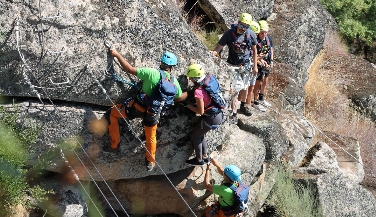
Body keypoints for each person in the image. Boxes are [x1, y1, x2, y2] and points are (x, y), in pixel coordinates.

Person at [107, 49, 187, 171]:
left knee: (113, 113)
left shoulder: (151, 73)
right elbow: (180, 96)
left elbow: (129, 69)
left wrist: (116, 54)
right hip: (153, 113)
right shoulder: (174, 82)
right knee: (151, 136)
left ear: (161, 63)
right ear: (172, 67)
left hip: (137, 108)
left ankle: (115, 145)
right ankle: (150, 161)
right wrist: (190, 93)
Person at [211, 13, 258, 123]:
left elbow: (255, 50)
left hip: (246, 65)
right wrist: (214, 52)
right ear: (238, 22)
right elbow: (219, 47)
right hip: (233, 65)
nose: (243, 28)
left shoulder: (251, 35)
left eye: (246, 26)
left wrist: (255, 66)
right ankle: (234, 113)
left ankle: (243, 106)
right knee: (237, 88)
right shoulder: (229, 34)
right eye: (242, 25)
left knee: (245, 87)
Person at [184, 64, 224, 166]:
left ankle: (199, 159)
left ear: (193, 78)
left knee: (196, 136)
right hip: (218, 114)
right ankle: (205, 157)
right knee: (201, 134)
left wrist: (187, 105)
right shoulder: (209, 80)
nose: (189, 79)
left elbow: (200, 111)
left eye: (190, 78)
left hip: (212, 117)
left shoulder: (198, 91)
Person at [252, 20, 274, 111]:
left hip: (267, 63)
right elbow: (253, 55)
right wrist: (259, 62)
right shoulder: (256, 41)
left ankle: (261, 98)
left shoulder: (268, 39)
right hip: (258, 64)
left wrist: (271, 60)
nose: (264, 34)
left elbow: (271, 49)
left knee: (265, 81)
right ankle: (255, 100)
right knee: (257, 82)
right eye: (262, 33)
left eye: (265, 32)